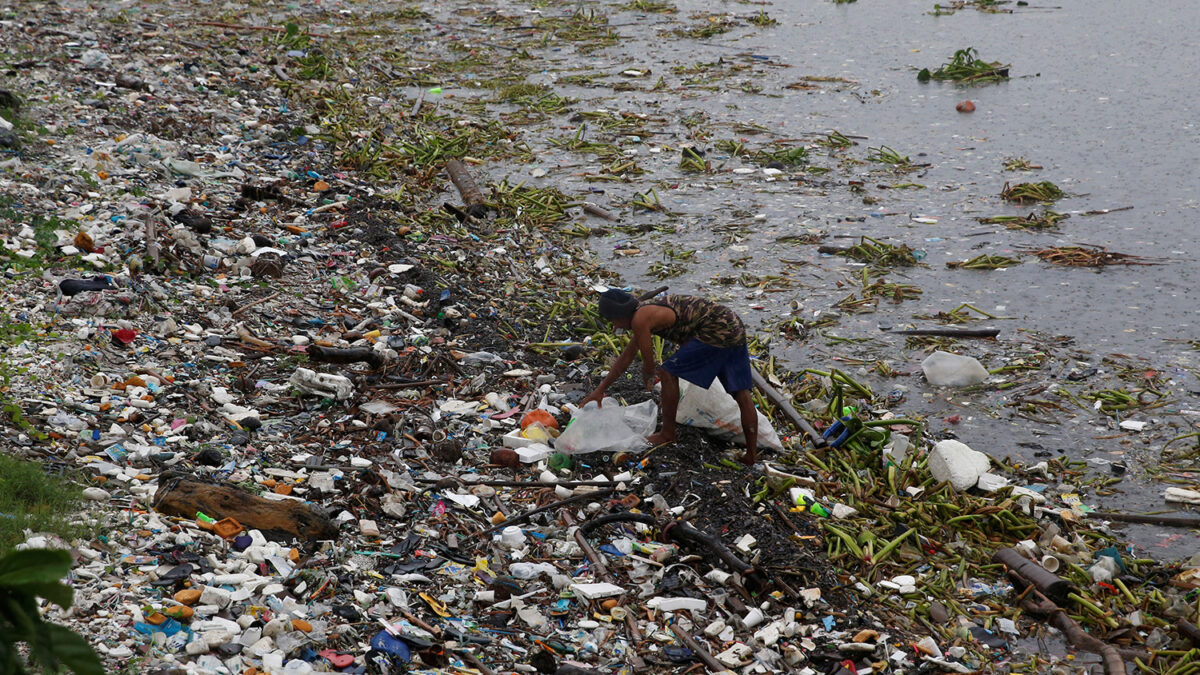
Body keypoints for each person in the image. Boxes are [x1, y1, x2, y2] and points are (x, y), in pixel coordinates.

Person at [581, 289, 759, 464]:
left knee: (667, 372)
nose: (615, 327)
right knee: (742, 393)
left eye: (613, 321)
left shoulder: (640, 318)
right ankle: (751, 455)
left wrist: (649, 375)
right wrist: (600, 390)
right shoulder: (644, 312)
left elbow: (649, 365)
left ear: (619, 315)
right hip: (733, 324)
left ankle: (667, 433)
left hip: (716, 329)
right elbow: (626, 357)